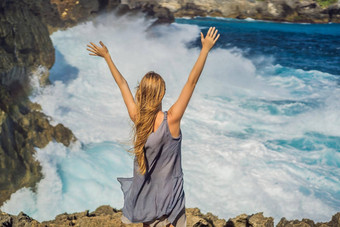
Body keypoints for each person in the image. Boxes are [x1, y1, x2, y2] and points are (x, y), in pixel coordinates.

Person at [86, 26, 220, 227]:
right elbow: (191, 83)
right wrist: (205, 50)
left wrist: (107, 57)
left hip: (144, 197)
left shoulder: (138, 118)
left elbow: (122, 84)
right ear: (162, 93)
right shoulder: (172, 119)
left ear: (140, 93)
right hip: (169, 198)